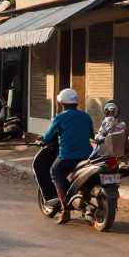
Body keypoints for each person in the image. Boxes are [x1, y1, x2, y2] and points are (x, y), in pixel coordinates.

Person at [41, 88, 94, 224]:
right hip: (87, 156)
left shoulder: (60, 118)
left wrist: (41, 139)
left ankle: (65, 211)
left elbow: (47, 137)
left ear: (61, 104)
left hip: (67, 156)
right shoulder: (86, 116)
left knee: (55, 171)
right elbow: (91, 135)